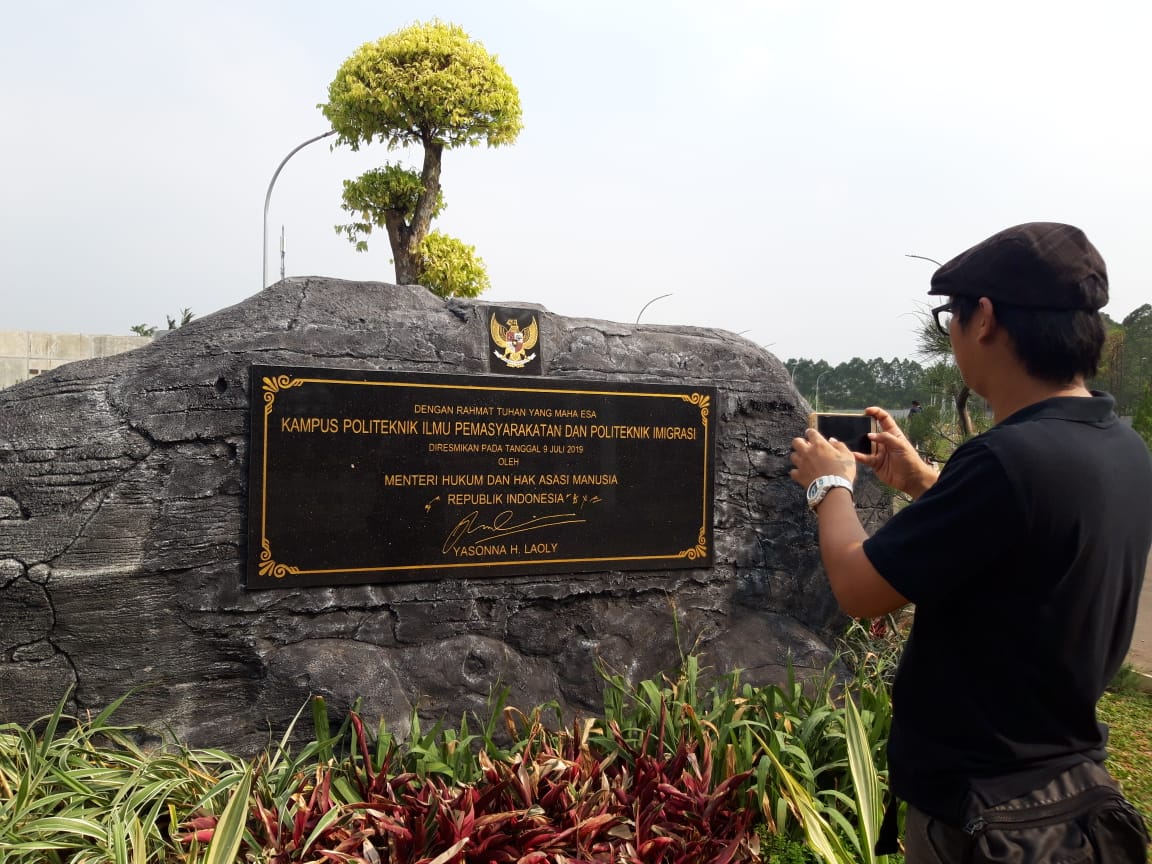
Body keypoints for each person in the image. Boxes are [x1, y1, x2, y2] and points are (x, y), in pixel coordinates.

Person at [789, 223, 1152, 862]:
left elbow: (859, 587)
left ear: (984, 319)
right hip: (1069, 791)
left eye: (950, 315)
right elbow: (1030, 539)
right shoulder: (1120, 444)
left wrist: (829, 484)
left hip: (980, 812)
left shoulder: (1006, 460)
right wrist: (929, 482)